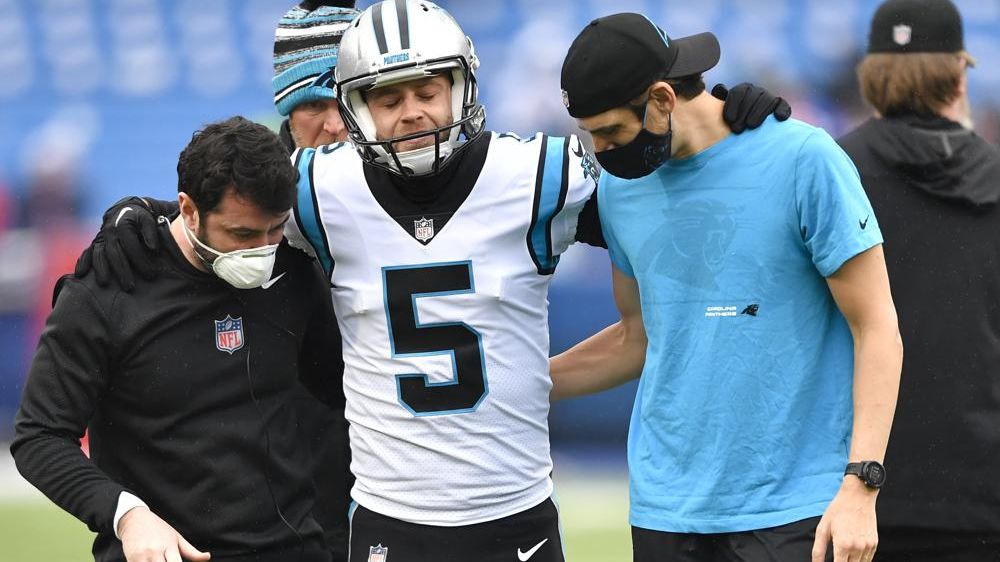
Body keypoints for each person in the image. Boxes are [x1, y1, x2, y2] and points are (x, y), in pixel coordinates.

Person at [76, 2, 789, 560]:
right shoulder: (319, 188)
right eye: (388, 98)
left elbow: (654, 190)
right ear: (357, 110)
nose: (412, 111)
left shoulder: (539, 176)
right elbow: (224, 214)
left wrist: (724, 129)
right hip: (390, 517)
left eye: (427, 89)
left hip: (516, 513)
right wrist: (147, 215)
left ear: (462, 87)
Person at [553, 13, 903, 562]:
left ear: (662, 99)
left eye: (612, 132)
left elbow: (876, 326)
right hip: (664, 510)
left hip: (792, 509)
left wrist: (863, 482)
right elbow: (636, 337)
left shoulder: (804, 159)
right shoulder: (621, 191)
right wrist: (522, 383)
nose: (601, 150)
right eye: (590, 134)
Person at [11, 116, 346, 562]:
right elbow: (39, 436)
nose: (262, 250)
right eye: (242, 234)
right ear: (188, 210)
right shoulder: (110, 286)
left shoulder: (295, 272)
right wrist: (126, 514)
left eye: (275, 228)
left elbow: (343, 394)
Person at [837, 1, 1000, 560]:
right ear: (958, 76)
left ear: (871, 77)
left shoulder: (834, 172)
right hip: (983, 491)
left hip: (856, 489)